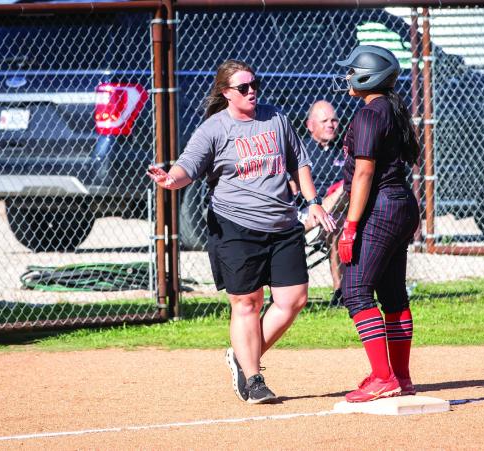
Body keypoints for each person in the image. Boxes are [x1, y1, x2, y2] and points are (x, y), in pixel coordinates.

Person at [147, 59, 335, 404]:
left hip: (282, 224)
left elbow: (299, 161)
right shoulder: (214, 128)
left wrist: (314, 201)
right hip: (235, 225)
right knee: (248, 302)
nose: (252, 92)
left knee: (293, 299)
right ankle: (254, 378)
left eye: (254, 85)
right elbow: (188, 166)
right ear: (226, 93)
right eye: (243, 88)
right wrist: (171, 179)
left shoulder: (275, 118)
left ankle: (240, 354)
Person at [334, 45, 420, 402]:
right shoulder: (393, 109)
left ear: (370, 76)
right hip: (401, 204)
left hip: (382, 208)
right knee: (392, 294)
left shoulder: (370, 114)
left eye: (353, 71)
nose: (348, 76)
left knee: (355, 290)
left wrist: (351, 225)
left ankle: (384, 377)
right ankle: (399, 375)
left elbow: (365, 171)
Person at [296, 100, 345, 307]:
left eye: (334, 120)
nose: (330, 124)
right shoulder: (301, 151)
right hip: (306, 211)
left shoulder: (344, 149)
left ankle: (340, 294)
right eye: (324, 120)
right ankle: (316, 220)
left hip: (340, 214)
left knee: (344, 190)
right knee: (336, 219)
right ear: (310, 125)